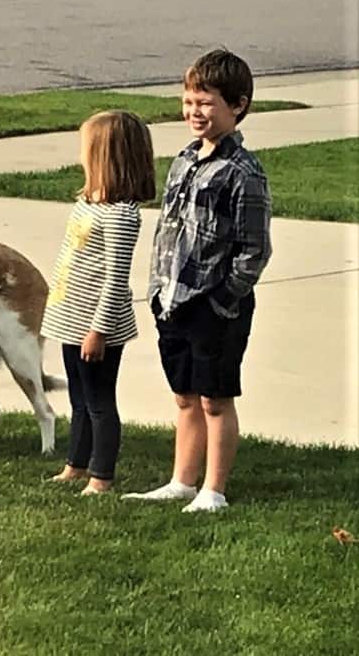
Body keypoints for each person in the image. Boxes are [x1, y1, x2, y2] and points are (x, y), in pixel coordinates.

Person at [123, 49, 272, 512]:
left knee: (215, 399)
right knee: (185, 397)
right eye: (189, 101)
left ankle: (214, 489)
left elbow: (254, 251)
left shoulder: (243, 173)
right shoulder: (184, 161)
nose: (194, 112)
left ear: (237, 105)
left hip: (215, 306)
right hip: (173, 299)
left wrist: (224, 299)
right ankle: (182, 482)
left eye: (206, 103)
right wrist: (159, 289)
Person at [42, 110, 156, 495]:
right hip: (70, 318)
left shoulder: (121, 215)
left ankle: (101, 475)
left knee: (99, 402)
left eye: (86, 149)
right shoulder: (88, 203)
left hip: (96, 326)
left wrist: (98, 330)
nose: (80, 157)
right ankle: (76, 463)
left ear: (107, 157)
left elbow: (115, 280)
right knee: (78, 398)